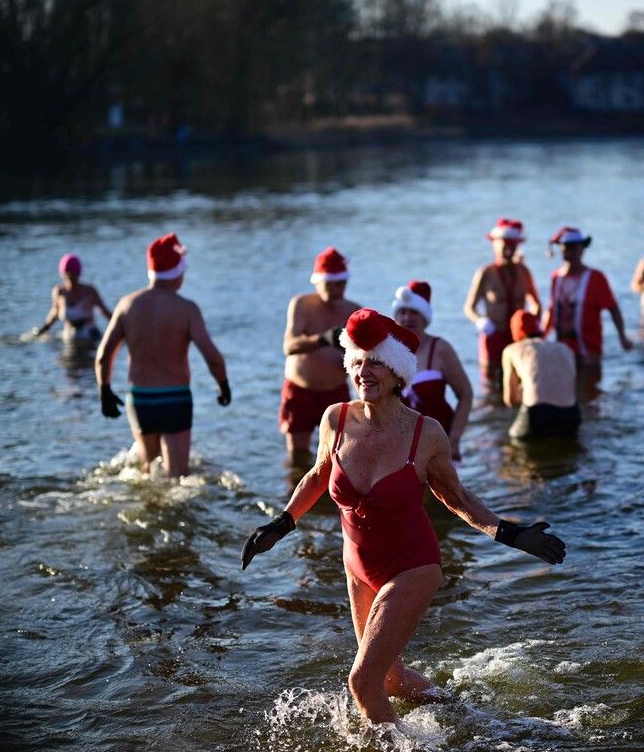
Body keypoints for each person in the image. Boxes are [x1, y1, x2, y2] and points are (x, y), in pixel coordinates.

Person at [240, 308, 565, 725]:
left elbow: (458, 497)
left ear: (397, 373)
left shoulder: (425, 433)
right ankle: (469, 715)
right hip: (358, 569)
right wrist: (281, 524)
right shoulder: (336, 419)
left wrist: (511, 535)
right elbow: (319, 474)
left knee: (362, 681)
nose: (364, 371)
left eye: (375, 362)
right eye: (357, 362)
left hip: (412, 566)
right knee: (388, 678)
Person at [95, 233, 231, 478]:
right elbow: (211, 356)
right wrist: (223, 385)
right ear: (178, 273)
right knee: (177, 476)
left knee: (148, 472)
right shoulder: (186, 309)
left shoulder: (127, 305)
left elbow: (104, 355)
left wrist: (104, 390)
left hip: (140, 399)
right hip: (174, 398)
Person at [280, 247, 361, 465]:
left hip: (335, 392)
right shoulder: (302, 305)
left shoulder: (353, 310)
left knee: (341, 456)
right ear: (318, 281)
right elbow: (289, 346)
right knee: (298, 456)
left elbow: (366, 357)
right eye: (331, 283)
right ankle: (296, 493)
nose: (337, 289)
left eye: (342, 283)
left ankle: (332, 497)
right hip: (300, 391)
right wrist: (323, 339)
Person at [392, 281, 473, 461]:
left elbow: (466, 394)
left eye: (414, 312)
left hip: (439, 446)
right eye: (403, 312)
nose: (407, 318)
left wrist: (455, 439)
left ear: (425, 317)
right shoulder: (387, 352)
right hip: (399, 449)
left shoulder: (441, 348)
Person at [542, 226, 633, 374]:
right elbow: (552, 309)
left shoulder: (596, 277)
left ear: (582, 249)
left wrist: (622, 337)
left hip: (589, 350)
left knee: (589, 391)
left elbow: (613, 309)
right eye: (567, 248)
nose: (571, 252)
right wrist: (542, 336)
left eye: (574, 248)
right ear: (561, 249)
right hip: (562, 349)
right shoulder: (556, 278)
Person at [463, 218, 541, 385]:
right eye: (504, 243)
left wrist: (534, 324)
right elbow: (469, 307)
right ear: (494, 244)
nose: (508, 248)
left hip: (519, 337)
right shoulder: (485, 273)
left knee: (522, 381)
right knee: (491, 382)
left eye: (512, 244)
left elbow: (535, 303)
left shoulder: (524, 271)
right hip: (494, 336)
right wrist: (481, 321)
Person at [502, 310, 581, 439]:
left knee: (512, 442)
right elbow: (573, 388)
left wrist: (523, 390)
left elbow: (509, 400)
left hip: (536, 415)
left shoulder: (512, 350)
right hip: (570, 415)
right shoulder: (565, 349)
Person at [32, 254, 113, 342]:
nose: (70, 279)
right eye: (67, 275)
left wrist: (122, 327)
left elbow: (105, 312)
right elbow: (54, 313)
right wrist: (43, 329)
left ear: (78, 274)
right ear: (62, 274)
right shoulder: (59, 292)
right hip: (69, 336)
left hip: (90, 336)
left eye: (73, 275)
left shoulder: (89, 291)